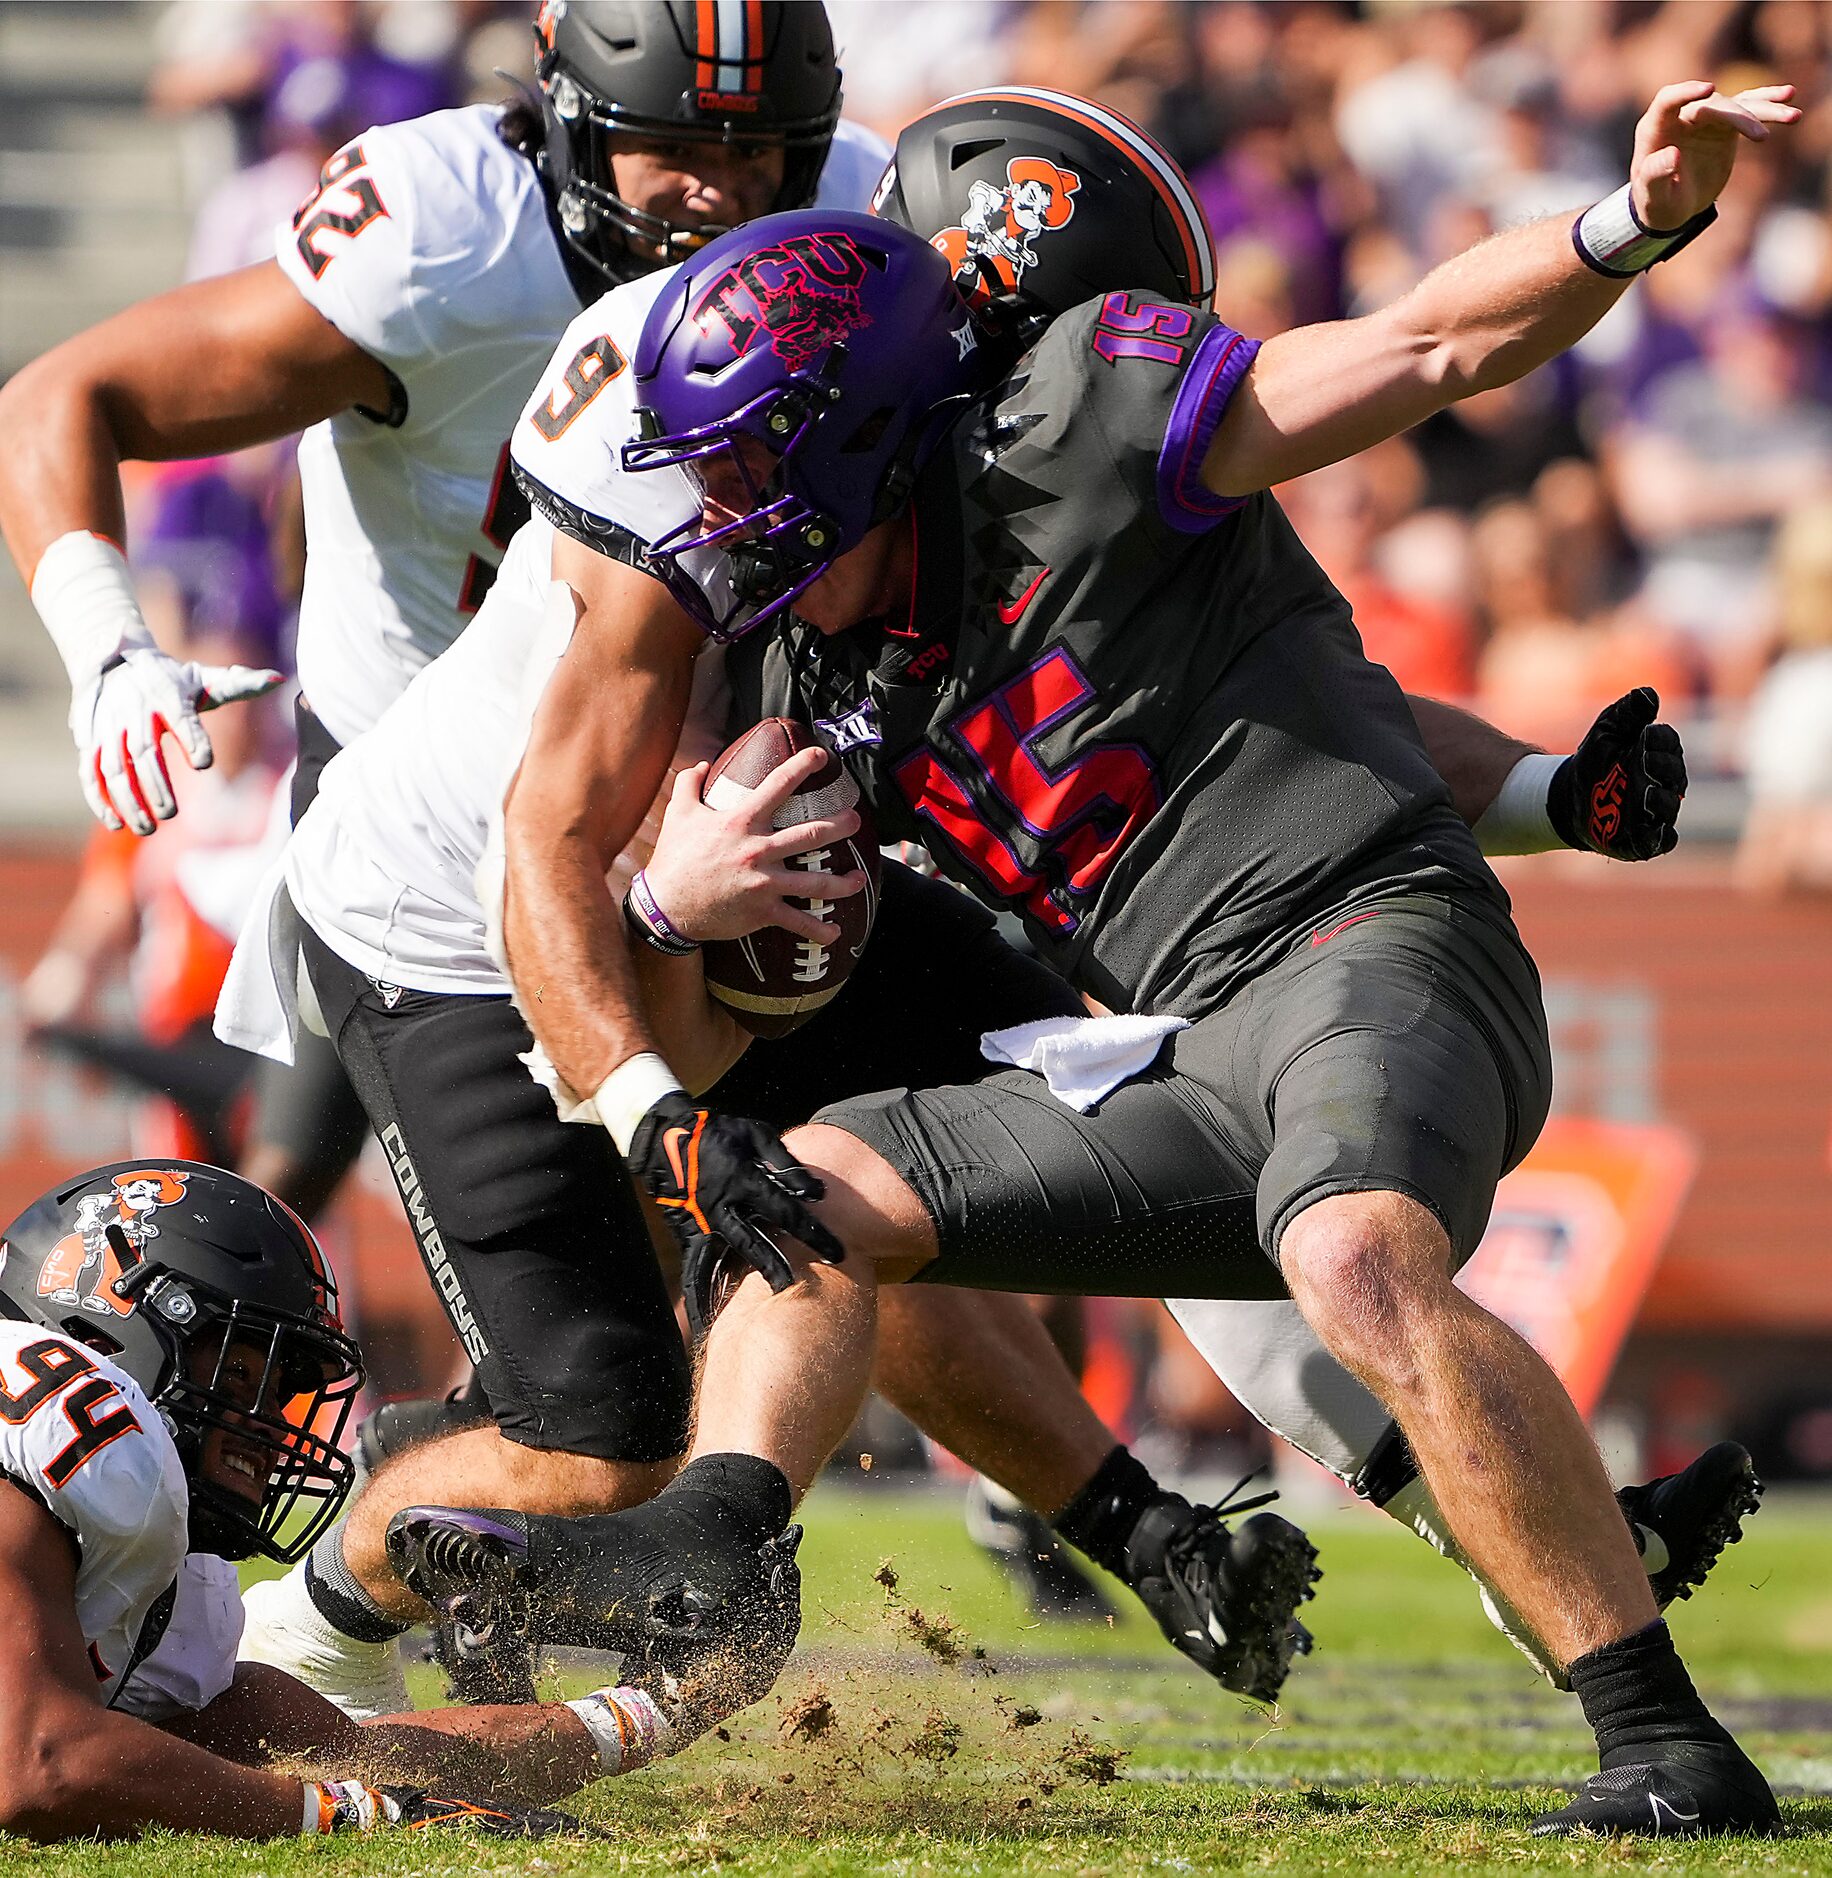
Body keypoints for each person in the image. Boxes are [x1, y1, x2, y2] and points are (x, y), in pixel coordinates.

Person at [223, 86, 1744, 1727]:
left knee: (1151, 1138)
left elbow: (1323, 642)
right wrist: (669, 1033)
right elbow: (555, 846)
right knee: (637, 1382)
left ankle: (1409, 1528)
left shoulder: (1011, 454)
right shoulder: (724, 568)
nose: (1049, 350)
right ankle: (422, 1597)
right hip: (473, 908)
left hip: (942, 897)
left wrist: (1545, 788)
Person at [0, 0, 882, 1228]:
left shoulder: (858, 221)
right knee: (533, 1311)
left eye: (756, 154)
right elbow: (65, 394)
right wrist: (106, 643)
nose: (721, 197)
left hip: (688, 785)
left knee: (827, 1188)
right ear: (572, 124)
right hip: (418, 806)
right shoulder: (449, 235)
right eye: (671, 148)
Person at [0, 1158, 723, 1843]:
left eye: (283, 1395)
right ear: (104, 1333)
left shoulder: (172, 1578)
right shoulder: (69, 1430)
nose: (272, 1427)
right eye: (243, 1369)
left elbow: (346, 1757)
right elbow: (40, 1765)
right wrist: (345, 1815)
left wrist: (662, 1708)